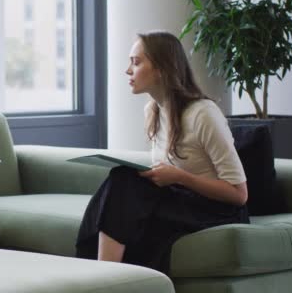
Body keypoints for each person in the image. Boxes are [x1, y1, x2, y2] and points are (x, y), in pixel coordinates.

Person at [75, 31, 249, 273]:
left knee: (124, 184)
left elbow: (239, 195)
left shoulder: (203, 114)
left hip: (216, 209)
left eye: (136, 62)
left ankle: (105, 278)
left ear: (161, 69)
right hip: (181, 199)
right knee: (122, 178)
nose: (128, 71)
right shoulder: (153, 111)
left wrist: (180, 177)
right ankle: (103, 275)